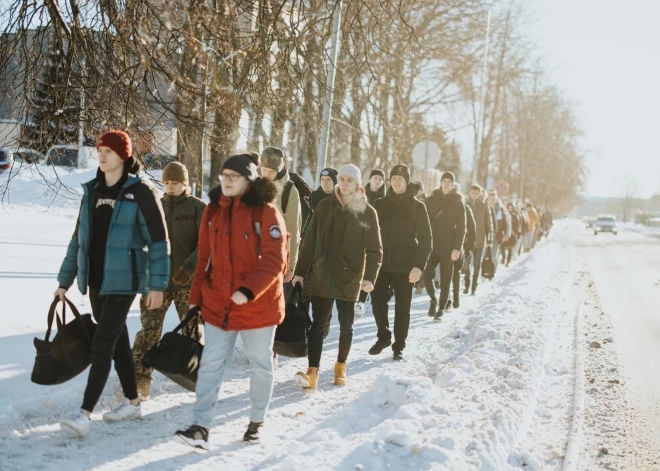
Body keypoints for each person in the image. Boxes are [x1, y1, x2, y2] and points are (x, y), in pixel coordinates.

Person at [56, 130, 169, 437]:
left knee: (102, 344)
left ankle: (84, 413)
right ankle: (132, 402)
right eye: (99, 150)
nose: (102, 155)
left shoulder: (140, 191)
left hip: (124, 283)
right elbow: (78, 240)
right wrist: (64, 280)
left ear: (124, 155)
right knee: (117, 344)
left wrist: (157, 285)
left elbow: (158, 242)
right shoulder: (91, 190)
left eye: (108, 150)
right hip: (95, 281)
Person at [173, 153, 288, 450]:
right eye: (224, 176)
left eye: (233, 177)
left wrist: (249, 291)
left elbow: (277, 261)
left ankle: (256, 421)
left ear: (248, 181)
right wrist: (195, 299)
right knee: (210, 364)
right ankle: (201, 427)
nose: (226, 181)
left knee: (260, 364)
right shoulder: (213, 210)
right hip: (218, 302)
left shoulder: (266, 213)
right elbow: (204, 258)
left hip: (258, 306)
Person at [292, 164, 382, 389]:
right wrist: (300, 273)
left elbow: (374, 250)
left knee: (345, 326)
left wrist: (369, 277)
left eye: (349, 180)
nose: (343, 183)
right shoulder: (324, 206)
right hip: (322, 275)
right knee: (318, 325)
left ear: (358, 185)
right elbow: (309, 242)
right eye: (341, 179)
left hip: (349, 277)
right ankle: (313, 371)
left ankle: (340, 366)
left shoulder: (367, 212)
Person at [132, 162, 206, 400]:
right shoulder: (155, 207)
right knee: (149, 331)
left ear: (185, 183)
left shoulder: (198, 208)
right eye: (167, 183)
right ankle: (139, 381)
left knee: (192, 333)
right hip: (158, 283)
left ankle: (195, 378)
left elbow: (208, 244)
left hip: (189, 284)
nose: (171, 187)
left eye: (175, 183)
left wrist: (190, 266)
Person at [368, 165, 432, 361]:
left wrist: (418, 266)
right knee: (378, 302)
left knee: (402, 308)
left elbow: (426, 239)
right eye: (393, 178)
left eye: (400, 179)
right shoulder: (379, 204)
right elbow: (369, 234)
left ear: (406, 181)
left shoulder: (417, 207)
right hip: (381, 264)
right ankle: (383, 336)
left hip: (406, 266)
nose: (396, 182)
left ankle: (399, 346)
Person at [422, 172, 466, 321]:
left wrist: (457, 248)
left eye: (449, 181)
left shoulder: (458, 203)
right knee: (426, 275)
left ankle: (441, 309)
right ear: (440, 183)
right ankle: (433, 299)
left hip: (449, 247)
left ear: (453, 184)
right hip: (431, 245)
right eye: (444, 181)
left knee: (446, 280)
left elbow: (461, 228)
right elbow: (422, 222)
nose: (446, 183)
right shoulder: (431, 200)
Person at [259, 146, 302, 289]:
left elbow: (293, 230)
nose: (266, 174)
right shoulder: (253, 185)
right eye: (263, 170)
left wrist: (290, 266)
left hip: (275, 257)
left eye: (270, 171)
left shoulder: (289, 191)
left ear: (278, 170)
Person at [355, 169, 386, 317]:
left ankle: (362, 300)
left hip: (377, 235)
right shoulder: (362, 193)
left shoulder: (385, 197)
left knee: (371, 266)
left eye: (380, 179)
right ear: (370, 179)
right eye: (375, 178)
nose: (378, 181)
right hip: (360, 233)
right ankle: (357, 297)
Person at [448, 182, 474, 310]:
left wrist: (468, 247)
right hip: (446, 246)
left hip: (459, 246)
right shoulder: (445, 207)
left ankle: (455, 298)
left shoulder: (465, 209)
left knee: (454, 274)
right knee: (449, 273)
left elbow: (471, 229)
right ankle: (449, 299)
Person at [465, 185, 493, 295]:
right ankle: (466, 283)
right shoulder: (465, 205)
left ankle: (473, 287)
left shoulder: (484, 207)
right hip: (467, 241)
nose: (474, 195)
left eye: (476, 193)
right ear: (470, 193)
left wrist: (489, 240)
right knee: (466, 265)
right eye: (472, 193)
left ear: (480, 194)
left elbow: (489, 225)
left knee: (477, 265)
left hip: (480, 241)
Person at [487, 190, 511, 268]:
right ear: (488, 199)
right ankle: (485, 270)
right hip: (486, 235)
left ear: (496, 199)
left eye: (494, 199)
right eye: (490, 199)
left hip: (498, 235)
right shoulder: (484, 208)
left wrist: (507, 234)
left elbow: (508, 223)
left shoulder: (501, 210)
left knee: (494, 254)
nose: (492, 201)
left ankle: (492, 270)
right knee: (484, 254)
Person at [504, 202, 523, 266]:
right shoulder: (505, 214)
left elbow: (518, 225)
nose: (510, 209)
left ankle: (508, 261)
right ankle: (504, 258)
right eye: (509, 207)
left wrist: (517, 232)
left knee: (510, 248)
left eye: (511, 207)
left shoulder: (515, 215)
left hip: (513, 233)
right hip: (505, 232)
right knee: (503, 247)